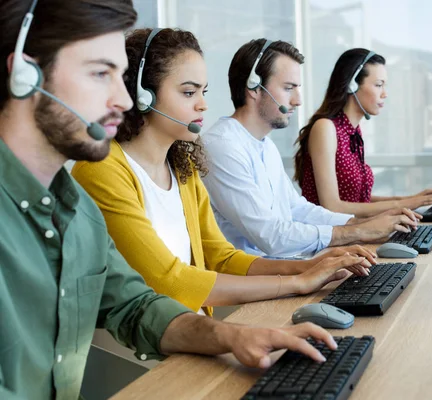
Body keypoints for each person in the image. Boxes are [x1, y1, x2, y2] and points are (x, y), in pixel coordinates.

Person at [0, 2, 350, 397]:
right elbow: (168, 281)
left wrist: (232, 337)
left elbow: (134, 306)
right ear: (24, 75)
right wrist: (298, 280)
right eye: (100, 73)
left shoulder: (76, 211)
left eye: (122, 77)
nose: (125, 99)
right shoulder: (89, 183)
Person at [72, 28, 375, 315]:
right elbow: (170, 280)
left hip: (191, 324)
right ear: (143, 95)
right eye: (189, 93)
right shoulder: (102, 170)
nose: (204, 105)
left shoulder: (182, 167)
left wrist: (311, 265)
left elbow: (221, 256)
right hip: (139, 353)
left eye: (203, 92)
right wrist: (296, 282)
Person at [201, 39, 420, 259]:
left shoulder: (265, 145)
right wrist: (358, 231)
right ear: (254, 87)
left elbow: (297, 209)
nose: (298, 100)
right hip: (258, 280)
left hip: (289, 267)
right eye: (288, 88)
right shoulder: (222, 146)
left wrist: (362, 224)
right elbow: (271, 237)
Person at [293, 48, 432, 218]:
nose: (385, 93)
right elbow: (332, 207)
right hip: (329, 239)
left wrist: (414, 199)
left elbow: (358, 201)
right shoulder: (325, 128)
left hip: (354, 233)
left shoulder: (353, 132)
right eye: (378, 85)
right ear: (352, 85)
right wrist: (404, 204)